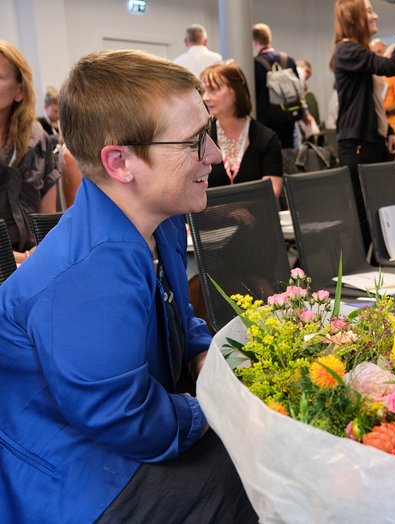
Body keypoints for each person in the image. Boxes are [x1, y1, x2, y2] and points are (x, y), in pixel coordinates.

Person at [0, 49, 257, 522]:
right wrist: (213, 408)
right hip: (71, 476)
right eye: (195, 140)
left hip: (110, 433)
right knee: (253, 481)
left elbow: (177, 316)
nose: (216, 155)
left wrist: (202, 353)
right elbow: (124, 415)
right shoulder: (87, 275)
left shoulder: (159, 222)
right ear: (120, 162)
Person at [331, 0, 395, 247]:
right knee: (365, 220)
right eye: (369, 11)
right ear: (355, 18)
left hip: (372, 142)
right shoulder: (347, 51)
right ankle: (365, 276)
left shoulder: (358, 53)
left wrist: (390, 131)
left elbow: (372, 103)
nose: (375, 16)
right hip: (357, 146)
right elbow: (392, 67)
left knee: (381, 213)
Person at [0, 40, 60, 265]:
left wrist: (36, 255)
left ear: (19, 91)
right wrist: (20, 258)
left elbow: (46, 220)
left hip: (35, 261)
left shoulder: (38, 139)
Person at [202, 61, 283, 198]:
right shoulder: (203, 138)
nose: (205, 97)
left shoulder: (266, 138)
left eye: (213, 89)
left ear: (235, 91)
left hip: (255, 216)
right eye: (204, 91)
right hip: (213, 218)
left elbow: (272, 190)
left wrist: (245, 209)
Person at [252, 22, 300, 149]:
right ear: (269, 39)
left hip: (266, 120)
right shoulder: (288, 59)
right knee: (289, 152)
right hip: (288, 116)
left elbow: (254, 93)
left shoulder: (255, 64)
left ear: (254, 41)